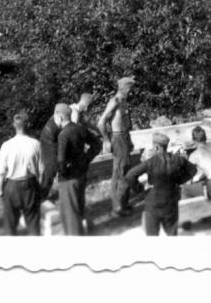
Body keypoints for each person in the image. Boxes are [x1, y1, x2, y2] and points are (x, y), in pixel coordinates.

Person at [124, 132, 197, 236]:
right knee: (172, 234)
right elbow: (193, 170)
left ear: (157, 147)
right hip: (171, 202)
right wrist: (179, 181)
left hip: (153, 204)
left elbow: (130, 175)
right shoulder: (178, 159)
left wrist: (140, 189)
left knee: (152, 236)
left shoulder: (150, 162)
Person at [0, 111, 44, 235]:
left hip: (11, 186)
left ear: (14, 126)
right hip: (30, 184)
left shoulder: (6, 145)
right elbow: (42, 171)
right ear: (28, 125)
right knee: (33, 223)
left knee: (10, 225)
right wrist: (40, 187)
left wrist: (0, 190)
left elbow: (0, 172)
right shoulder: (36, 144)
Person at [55, 105, 103, 235]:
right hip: (81, 173)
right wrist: (87, 158)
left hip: (68, 179)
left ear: (59, 116)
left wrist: (62, 173)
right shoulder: (80, 128)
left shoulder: (63, 135)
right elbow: (98, 144)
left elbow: (61, 160)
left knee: (71, 216)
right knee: (79, 209)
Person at [98, 76, 137, 217]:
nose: (132, 92)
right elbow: (101, 122)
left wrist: (129, 140)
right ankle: (117, 207)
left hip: (124, 137)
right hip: (117, 137)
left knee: (123, 170)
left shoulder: (124, 102)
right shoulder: (114, 102)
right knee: (121, 171)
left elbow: (126, 123)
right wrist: (106, 141)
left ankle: (122, 203)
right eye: (130, 89)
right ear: (124, 88)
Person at [39, 102, 69, 202]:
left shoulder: (55, 119)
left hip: (49, 146)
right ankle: (42, 197)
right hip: (49, 147)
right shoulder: (52, 126)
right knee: (50, 171)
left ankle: (42, 194)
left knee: (49, 173)